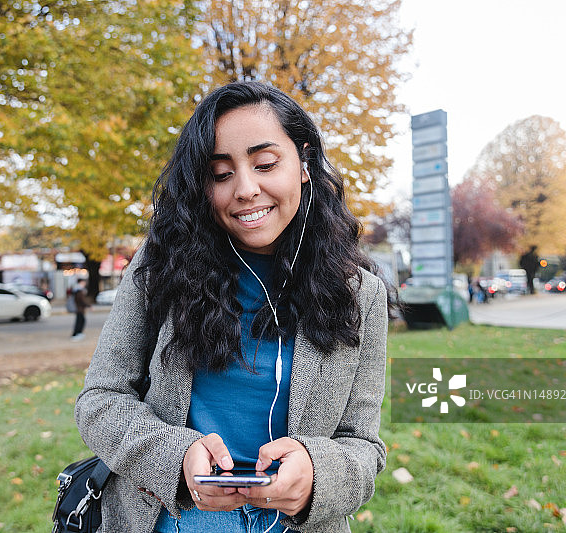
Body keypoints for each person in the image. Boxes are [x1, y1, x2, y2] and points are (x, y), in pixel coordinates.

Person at [75, 82, 393, 533]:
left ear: (303, 163)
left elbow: (364, 445)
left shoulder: (360, 293)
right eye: (221, 174)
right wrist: (174, 456)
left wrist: (317, 475)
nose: (245, 189)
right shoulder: (160, 265)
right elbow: (100, 400)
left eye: (265, 164)